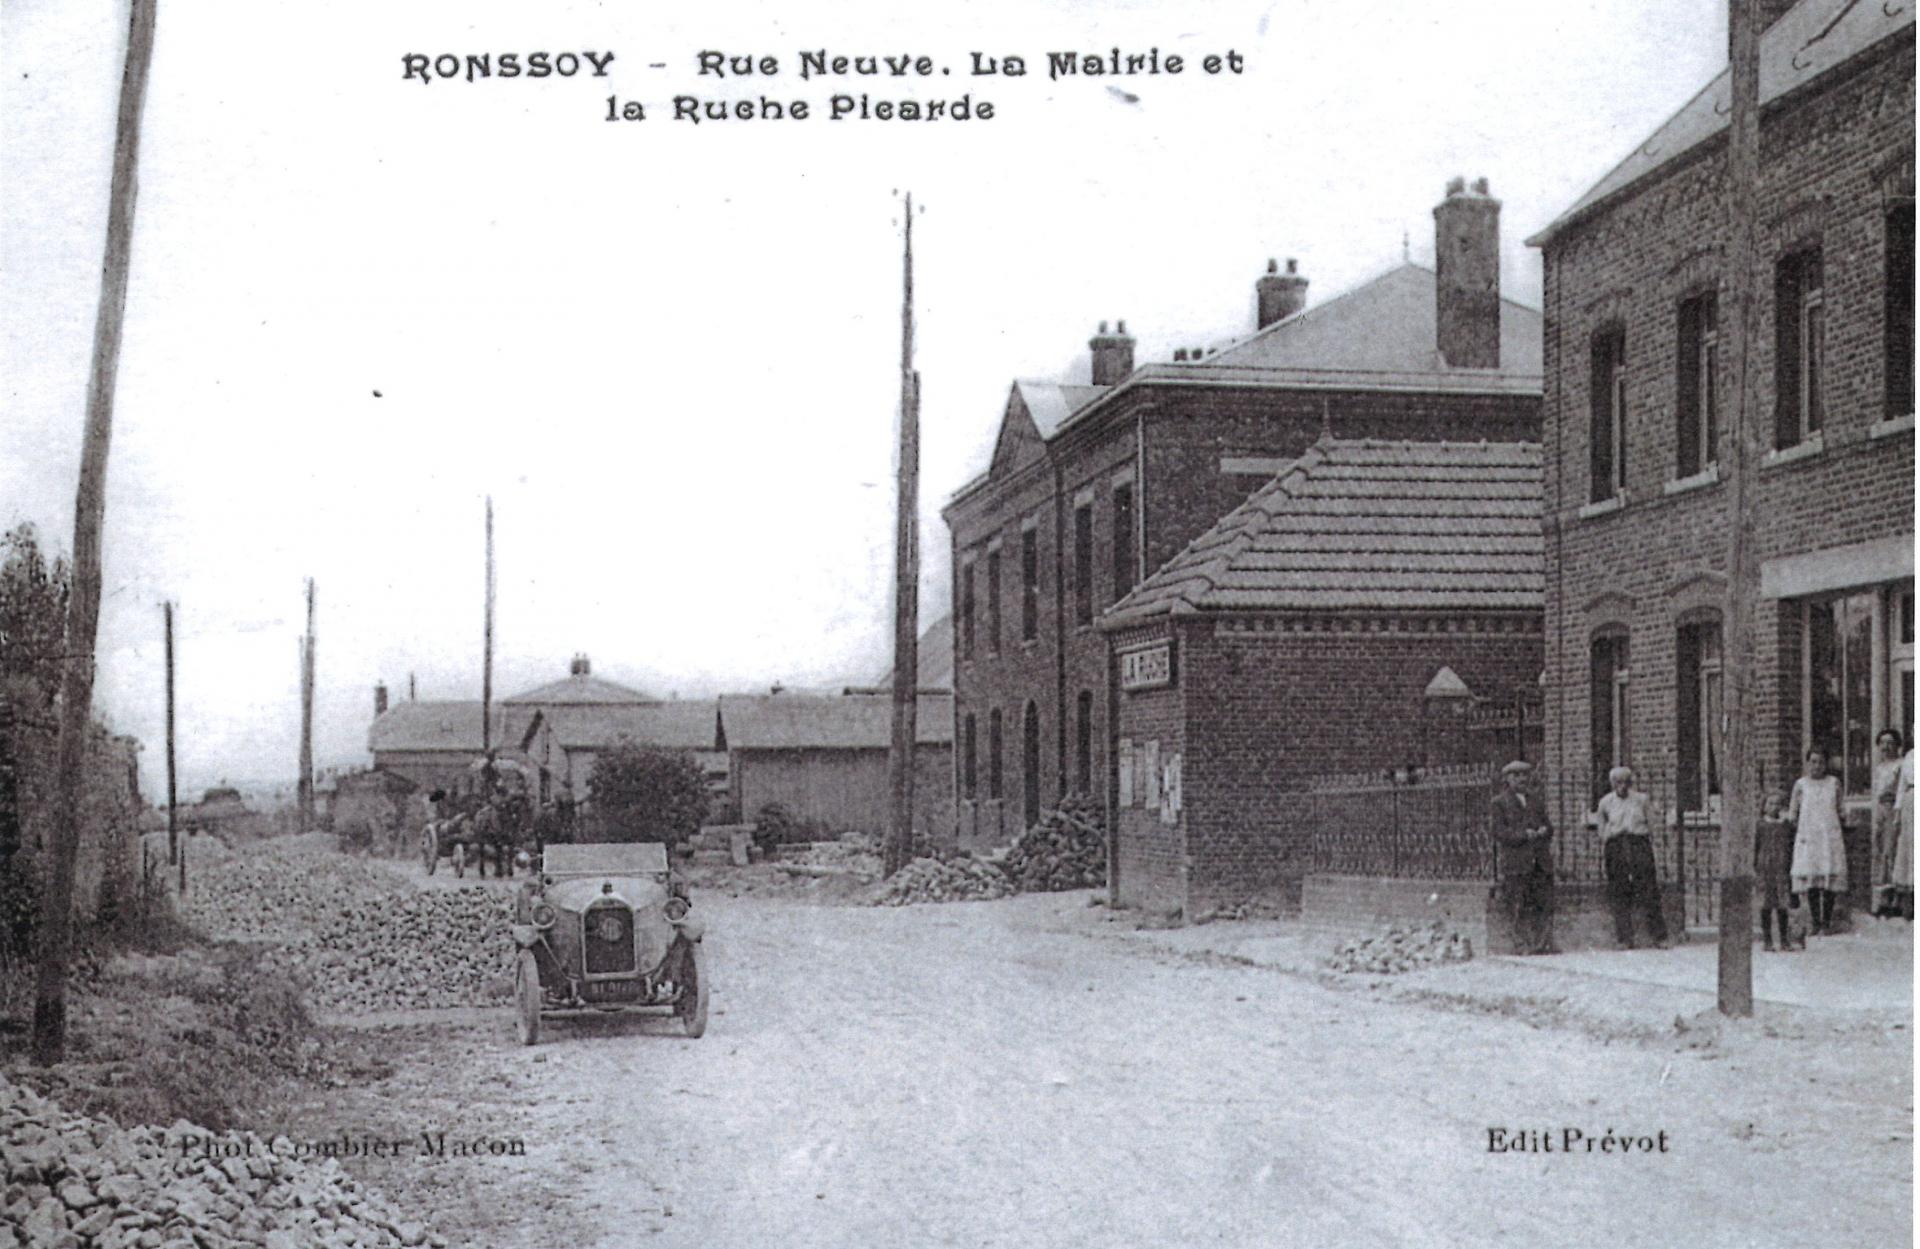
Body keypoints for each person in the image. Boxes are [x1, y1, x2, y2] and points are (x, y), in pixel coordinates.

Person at [1593, 766, 1668, 949]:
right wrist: (1607, 838)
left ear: (1631, 783)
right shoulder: (1605, 802)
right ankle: (1624, 938)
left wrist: (1652, 843)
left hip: (1638, 843)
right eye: (1618, 782)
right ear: (1612, 784)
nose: (1622, 786)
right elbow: (1601, 827)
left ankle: (1659, 936)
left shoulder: (1641, 800)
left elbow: (1652, 825)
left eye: (1626, 782)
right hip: (1616, 845)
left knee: (1648, 889)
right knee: (1619, 890)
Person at [1491, 759, 1556, 954]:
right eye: (1516, 775)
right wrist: (1523, 835)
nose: (1521, 779)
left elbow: (1549, 826)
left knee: (1542, 904)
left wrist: (1544, 830)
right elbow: (1499, 832)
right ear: (1507, 779)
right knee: (1517, 905)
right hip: (1516, 862)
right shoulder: (1500, 803)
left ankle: (1541, 944)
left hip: (1539, 861)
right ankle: (1521, 945)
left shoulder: (1536, 800)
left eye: (1524, 775)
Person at [1785, 747, 1847, 936]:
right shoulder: (1801, 785)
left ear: (1826, 764)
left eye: (1820, 762)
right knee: (1812, 878)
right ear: (1807, 763)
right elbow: (1793, 812)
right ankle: (1815, 921)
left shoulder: (1833, 783)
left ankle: (1826, 923)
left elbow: (1841, 808)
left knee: (1828, 877)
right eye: (1813, 762)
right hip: (1809, 836)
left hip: (1828, 835)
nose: (1817, 766)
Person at [1754, 790, 1799, 952]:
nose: (1774, 807)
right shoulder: (1760, 825)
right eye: (1770, 803)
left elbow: (1791, 846)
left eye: (1777, 804)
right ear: (1764, 806)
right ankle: (1767, 940)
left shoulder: (1786, 826)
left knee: (1782, 904)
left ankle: (1784, 940)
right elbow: (1755, 847)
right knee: (1766, 904)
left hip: (1781, 868)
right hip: (1765, 868)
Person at [1872, 730, 1905, 916]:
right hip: (1882, 809)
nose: (1886, 747)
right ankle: (1883, 899)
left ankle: (1898, 900)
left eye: (1890, 743)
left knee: (1894, 851)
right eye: (1882, 743)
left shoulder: (1900, 765)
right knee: (1882, 852)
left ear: (1897, 745)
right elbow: (1877, 793)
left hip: (1896, 808)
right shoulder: (1879, 768)